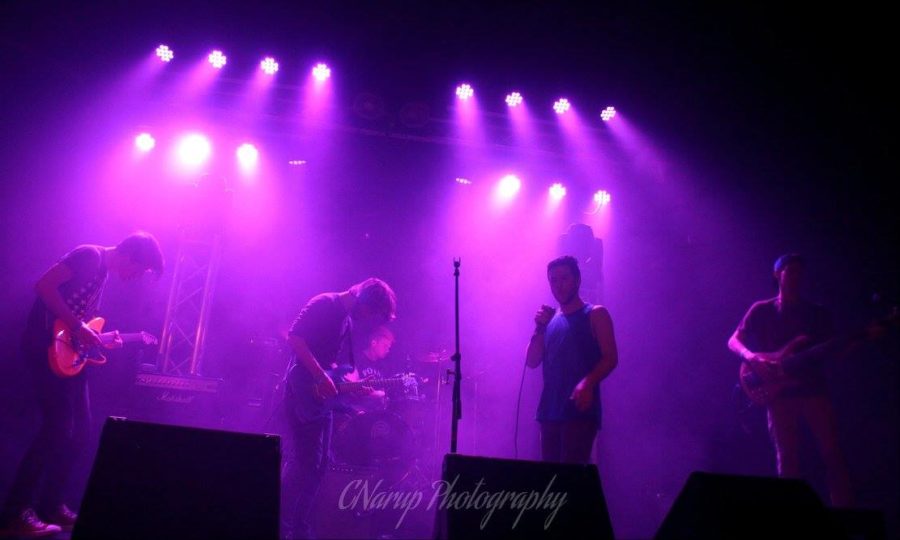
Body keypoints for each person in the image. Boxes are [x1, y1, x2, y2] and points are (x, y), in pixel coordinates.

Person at [1, 232, 164, 537]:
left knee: (80, 432)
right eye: (139, 270)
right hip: (42, 346)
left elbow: (74, 321)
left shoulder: (102, 272)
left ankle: (51, 506)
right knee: (57, 429)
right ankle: (14, 513)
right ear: (130, 255)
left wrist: (97, 338)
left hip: (64, 351)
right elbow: (43, 286)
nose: (136, 277)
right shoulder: (89, 255)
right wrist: (79, 327)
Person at [728, 253, 853, 506]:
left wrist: (858, 340)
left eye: (799, 271)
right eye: (790, 270)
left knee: (832, 453)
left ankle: (844, 512)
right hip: (780, 395)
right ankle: (790, 517)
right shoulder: (762, 310)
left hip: (812, 390)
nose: (796, 276)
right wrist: (751, 357)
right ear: (778, 274)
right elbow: (733, 340)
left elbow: (833, 349)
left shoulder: (816, 314)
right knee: (786, 459)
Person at [281, 278, 397, 539]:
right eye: (372, 313)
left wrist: (350, 386)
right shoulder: (324, 303)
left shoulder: (345, 320)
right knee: (304, 464)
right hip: (302, 391)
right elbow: (295, 338)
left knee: (319, 466)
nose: (369, 319)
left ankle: (299, 529)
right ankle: (281, 526)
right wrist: (321, 377)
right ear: (364, 300)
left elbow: (331, 368)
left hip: (320, 399)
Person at [526, 255, 618, 464]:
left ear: (577, 280)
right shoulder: (550, 320)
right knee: (551, 486)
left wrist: (588, 383)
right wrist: (539, 328)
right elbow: (531, 361)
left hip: (579, 412)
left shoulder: (596, 314)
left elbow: (611, 358)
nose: (559, 285)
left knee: (570, 482)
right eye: (553, 280)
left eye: (564, 278)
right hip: (548, 412)